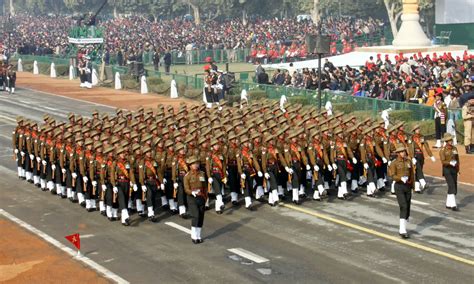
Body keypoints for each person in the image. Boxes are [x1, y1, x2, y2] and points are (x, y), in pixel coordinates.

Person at [388, 144, 414, 239]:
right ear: (398, 153)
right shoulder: (394, 163)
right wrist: (400, 178)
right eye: (401, 152)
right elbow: (392, 175)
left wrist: (413, 186)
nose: (403, 153)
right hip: (399, 186)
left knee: (408, 206)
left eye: (404, 151)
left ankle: (405, 219)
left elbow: (412, 174)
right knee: (403, 206)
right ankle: (402, 230)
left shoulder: (408, 161)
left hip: (407, 186)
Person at [183, 156, 207, 244]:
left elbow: (204, 186)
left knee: (201, 217)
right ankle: (194, 236)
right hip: (192, 198)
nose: (196, 165)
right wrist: (192, 193)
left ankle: (199, 235)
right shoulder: (187, 176)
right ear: (190, 165)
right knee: (195, 216)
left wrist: (206, 197)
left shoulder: (202, 173)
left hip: (201, 197)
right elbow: (186, 189)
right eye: (194, 164)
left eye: (197, 163)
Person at [408, 125, 436, 193]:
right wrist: (412, 157)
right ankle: (423, 182)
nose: (418, 130)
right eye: (416, 129)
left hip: (421, 155)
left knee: (418, 170)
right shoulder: (411, 138)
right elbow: (410, 148)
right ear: (414, 131)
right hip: (415, 155)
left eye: (418, 128)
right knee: (418, 169)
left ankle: (417, 187)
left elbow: (426, 146)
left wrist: (431, 155)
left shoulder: (421, 137)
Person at [439, 134, 460, 211]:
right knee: (451, 186)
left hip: (454, 169)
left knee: (454, 185)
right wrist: (450, 162)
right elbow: (443, 161)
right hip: (447, 169)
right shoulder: (442, 150)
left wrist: (458, 169)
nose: (451, 141)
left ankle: (448, 203)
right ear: (446, 141)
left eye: (451, 140)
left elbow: (457, 159)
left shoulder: (455, 148)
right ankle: (453, 205)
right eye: (449, 140)